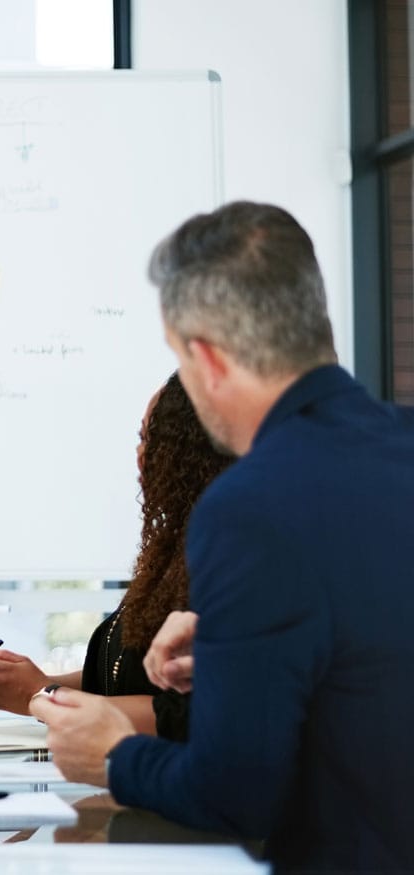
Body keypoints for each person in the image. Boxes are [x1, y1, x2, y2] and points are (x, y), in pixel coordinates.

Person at [28, 202, 414, 872]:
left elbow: (239, 793)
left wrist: (115, 755)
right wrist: (242, 646)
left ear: (203, 358)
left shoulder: (248, 506)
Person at [0, 372, 232, 740]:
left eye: (149, 438)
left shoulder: (227, 561)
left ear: (187, 455)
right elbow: (119, 678)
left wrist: (40, 695)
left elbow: (183, 716)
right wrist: (29, 686)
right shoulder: (177, 551)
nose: (140, 454)